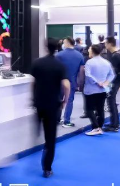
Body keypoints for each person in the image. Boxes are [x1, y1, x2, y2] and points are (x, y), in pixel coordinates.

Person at [31, 38, 71, 177]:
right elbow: (66, 85)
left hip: (39, 103)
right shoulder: (60, 66)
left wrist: (33, 98)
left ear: (45, 47)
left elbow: (33, 83)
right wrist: (65, 100)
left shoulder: (37, 63)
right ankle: (47, 168)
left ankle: (36, 132)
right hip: (53, 105)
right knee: (50, 138)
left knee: (39, 124)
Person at [83, 44, 115, 136]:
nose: (88, 51)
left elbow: (88, 75)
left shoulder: (89, 62)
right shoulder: (106, 62)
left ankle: (96, 127)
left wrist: (97, 82)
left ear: (92, 51)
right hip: (102, 90)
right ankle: (99, 128)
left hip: (91, 90)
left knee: (89, 109)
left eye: (89, 49)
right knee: (100, 109)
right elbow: (112, 74)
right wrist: (106, 82)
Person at [55, 37, 85, 128]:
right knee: (69, 101)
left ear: (67, 43)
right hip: (72, 82)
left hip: (59, 81)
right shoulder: (80, 56)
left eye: (64, 43)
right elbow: (81, 71)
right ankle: (66, 121)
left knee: (58, 99)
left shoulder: (59, 55)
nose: (63, 44)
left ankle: (57, 119)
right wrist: (80, 84)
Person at [104, 37, 120, 132]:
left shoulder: (115, 56)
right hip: (116, 81)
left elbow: (113, 72)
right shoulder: (118, 55)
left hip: (114, 82)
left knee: (111, 102)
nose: (105, 45)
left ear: (110, 44)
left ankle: (114, 125)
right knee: (112, 102)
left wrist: (107, 82)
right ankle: (115, 122)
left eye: (106, 43)